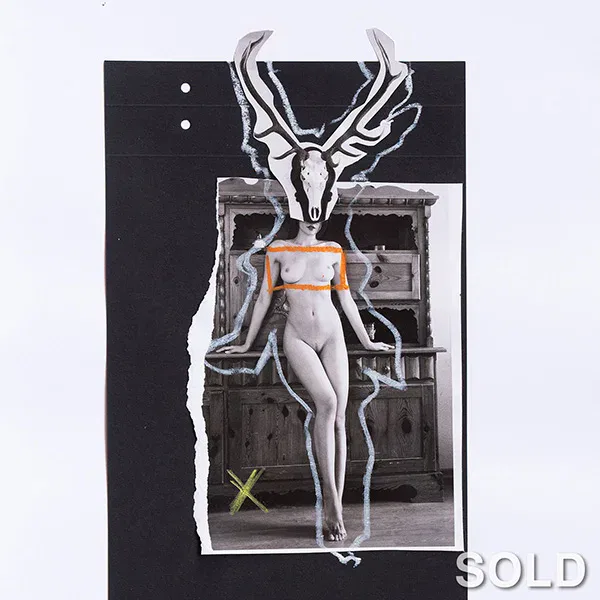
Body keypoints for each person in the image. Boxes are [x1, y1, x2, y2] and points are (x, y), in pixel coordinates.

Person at [217, 220, 393, 542]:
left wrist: (367, 342)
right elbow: (264, 298)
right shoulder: (278, 250)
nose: (313, 220)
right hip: (297, 337)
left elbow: (345, 298)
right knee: (327, 402)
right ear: (297, 212)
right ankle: (330, 500)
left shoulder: (333, 250)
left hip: (333, 336)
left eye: (319, 214)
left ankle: (335, 505)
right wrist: (245, 343)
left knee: (339, 418)